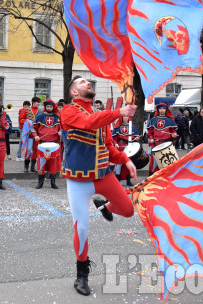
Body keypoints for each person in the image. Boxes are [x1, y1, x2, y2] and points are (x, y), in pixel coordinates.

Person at [60, 76, 137, 296]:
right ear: (74, 92)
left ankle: (104, 207)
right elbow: (87, 124)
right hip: (78, 180)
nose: (88, 83)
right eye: (82, 82)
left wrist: (126, 160)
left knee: (128, 210)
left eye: (89, 82)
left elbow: (109, 147)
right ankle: (81, 275)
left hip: (104, 175)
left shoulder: (100, 115)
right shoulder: (69, 111)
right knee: (82, 228)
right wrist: (118, 113)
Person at [32, 99, 62, 189]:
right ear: (45, 107)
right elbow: (33, 128)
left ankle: (53, 182)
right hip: (42, 144)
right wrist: (35, 135)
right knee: (42, 163)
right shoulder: (39, 116)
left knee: (53, 163)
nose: (49, 108)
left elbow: (63, 128)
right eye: (48, 106)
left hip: (54, 144)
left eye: (51, 107)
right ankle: (40, 183)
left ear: (53, 107)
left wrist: (61, 132)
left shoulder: (58, 117)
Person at [146, 103, 178, 175]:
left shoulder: (170, 120)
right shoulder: (153, 120)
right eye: (160, 108)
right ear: (158, 110)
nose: (162, 110)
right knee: (154, 161)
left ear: (166, 109)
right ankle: (151, 177)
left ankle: (166, 178)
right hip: (156, 144)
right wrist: (151, 138)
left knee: (167, 161)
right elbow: (150, 132)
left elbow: (173, 131)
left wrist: (174, 135)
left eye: (163, 108)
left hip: (166, 145)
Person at [112, 115, 139, 186]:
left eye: (127, 116)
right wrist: (115, 143)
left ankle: (128, 180)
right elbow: (113, 138)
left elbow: (136, 136)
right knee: (119, 164)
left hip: (129, 147)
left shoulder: (132, 126)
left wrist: (136, 138)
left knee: (128, 164)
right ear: (121, 117)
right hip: (120, 147)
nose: (126, 118)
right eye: (124, 116)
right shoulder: (117, 127)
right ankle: (117, 179)